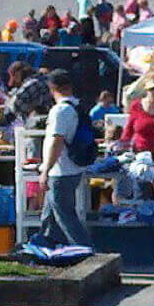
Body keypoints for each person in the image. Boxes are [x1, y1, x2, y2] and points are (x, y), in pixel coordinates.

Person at [37, 71, 91, 245]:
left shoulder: (60, 110)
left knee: (65, 215)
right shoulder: (77, 107)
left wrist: (46, 169)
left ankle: (85, 251)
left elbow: (57, 141)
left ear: (53, 89)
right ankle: (47, 247)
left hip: (60, 170)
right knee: (50, 215)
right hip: (74, 168)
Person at [120, 77, 154, 152]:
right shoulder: (136, 105)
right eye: (152, 89)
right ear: (146, 90)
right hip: (140, 150)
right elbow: (129, 128)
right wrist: (122, 143)